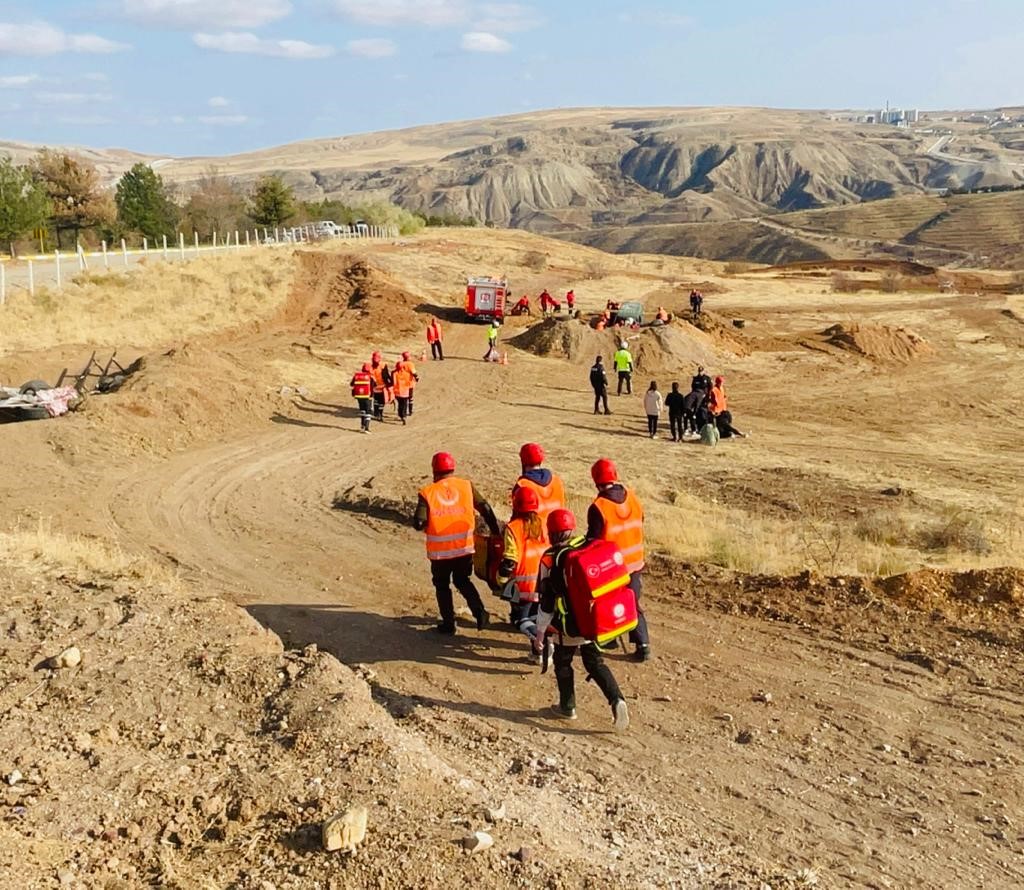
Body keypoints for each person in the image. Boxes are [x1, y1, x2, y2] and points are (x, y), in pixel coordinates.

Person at [534, 508, 630, 729]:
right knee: (595, 662)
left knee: (562, 662)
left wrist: (540, 631)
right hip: (594, 620)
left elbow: (547, 600)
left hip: (567, 626)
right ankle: (617, 700)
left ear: (551, 532)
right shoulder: (587, 546)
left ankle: (567, 707)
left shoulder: (550, 558)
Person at [413, 452, 500, 635]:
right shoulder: (466, 486)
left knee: (442, 585)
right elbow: (484, 507)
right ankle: (480, 612)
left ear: (434, 470)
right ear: (452, 468)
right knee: (462, 580)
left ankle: (448, 624)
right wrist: (495, 530)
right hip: (464, 547)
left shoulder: (428, 493)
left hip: (440, 553)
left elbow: (418, 523)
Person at [587, 459, 651, 662]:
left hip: (613, 566)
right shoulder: (632, 497)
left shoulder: (599, 507)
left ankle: (616, 640)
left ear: (596, 480)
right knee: (632, 599)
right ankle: (640, 643)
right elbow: (641, 520)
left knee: (610, 602)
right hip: (636, 561)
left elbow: (594, 540)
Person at [496, 486, 548, 660]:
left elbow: (510, 560)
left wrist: (501, 579)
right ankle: (537, 653)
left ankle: (544, 644)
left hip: (525, 584)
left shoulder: (513, 528)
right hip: (545, 580)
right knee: (537, 617)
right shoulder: (544, 523)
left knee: (521, 620)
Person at [511, 442, 566, 524]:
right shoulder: (556, 480)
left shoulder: (522, 485)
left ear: (523, 462)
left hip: (535, 532)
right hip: (558, 530)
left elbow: (517, 517)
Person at [392, 352, 418, 425]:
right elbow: (414, 373)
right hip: (407, 388)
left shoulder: (394, 373)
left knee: (400, 403)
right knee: (409, 399)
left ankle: (401, 414)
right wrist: (416, 378)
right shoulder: (410, 364)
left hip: (397, 391)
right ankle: (409, 411)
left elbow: (393, 382)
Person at [368, 351, 393, 422]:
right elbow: (387, 375)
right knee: (382, 402)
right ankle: (380, 414)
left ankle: (376, 413)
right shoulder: (383, 365)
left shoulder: (370, 367)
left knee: (376, 400)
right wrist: (391, 383)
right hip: (382, 387)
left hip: (375, 387)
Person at [350, 362, 373, 434]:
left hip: (359, 396)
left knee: (362, 410)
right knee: (368, 411)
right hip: (368, 397)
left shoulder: (357, 376)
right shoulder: (370, 377)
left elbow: (351, 384)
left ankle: (362, 425)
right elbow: (374, 385)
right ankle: (367, 428)